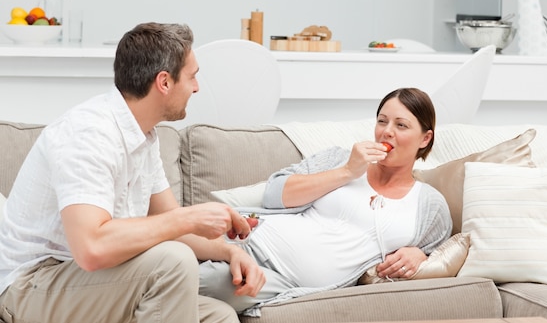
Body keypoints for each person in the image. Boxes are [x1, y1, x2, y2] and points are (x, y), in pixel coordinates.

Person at [0, 23, 265, 323]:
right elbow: (92, 248)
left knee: (220, 316)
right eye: (192, 76)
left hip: (92, 281)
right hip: (33, 286)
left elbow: (174, 226)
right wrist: (190, 217)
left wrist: (230, 253)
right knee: (173, 262)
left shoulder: (144, 137)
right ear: (164, 82)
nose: (197, 87)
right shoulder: (88, 134)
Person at [198, 87, 452, 316]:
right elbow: (274, 193)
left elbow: (442, 248)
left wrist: (420, 254)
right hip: (250, 241)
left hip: (282, 282)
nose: (386, 132)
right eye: (382, 121)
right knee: (174, 248)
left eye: (401, 125)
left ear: (425, 139)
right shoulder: (340, 159)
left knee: (205, 281)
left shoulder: (429, 204)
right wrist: (347, 172)